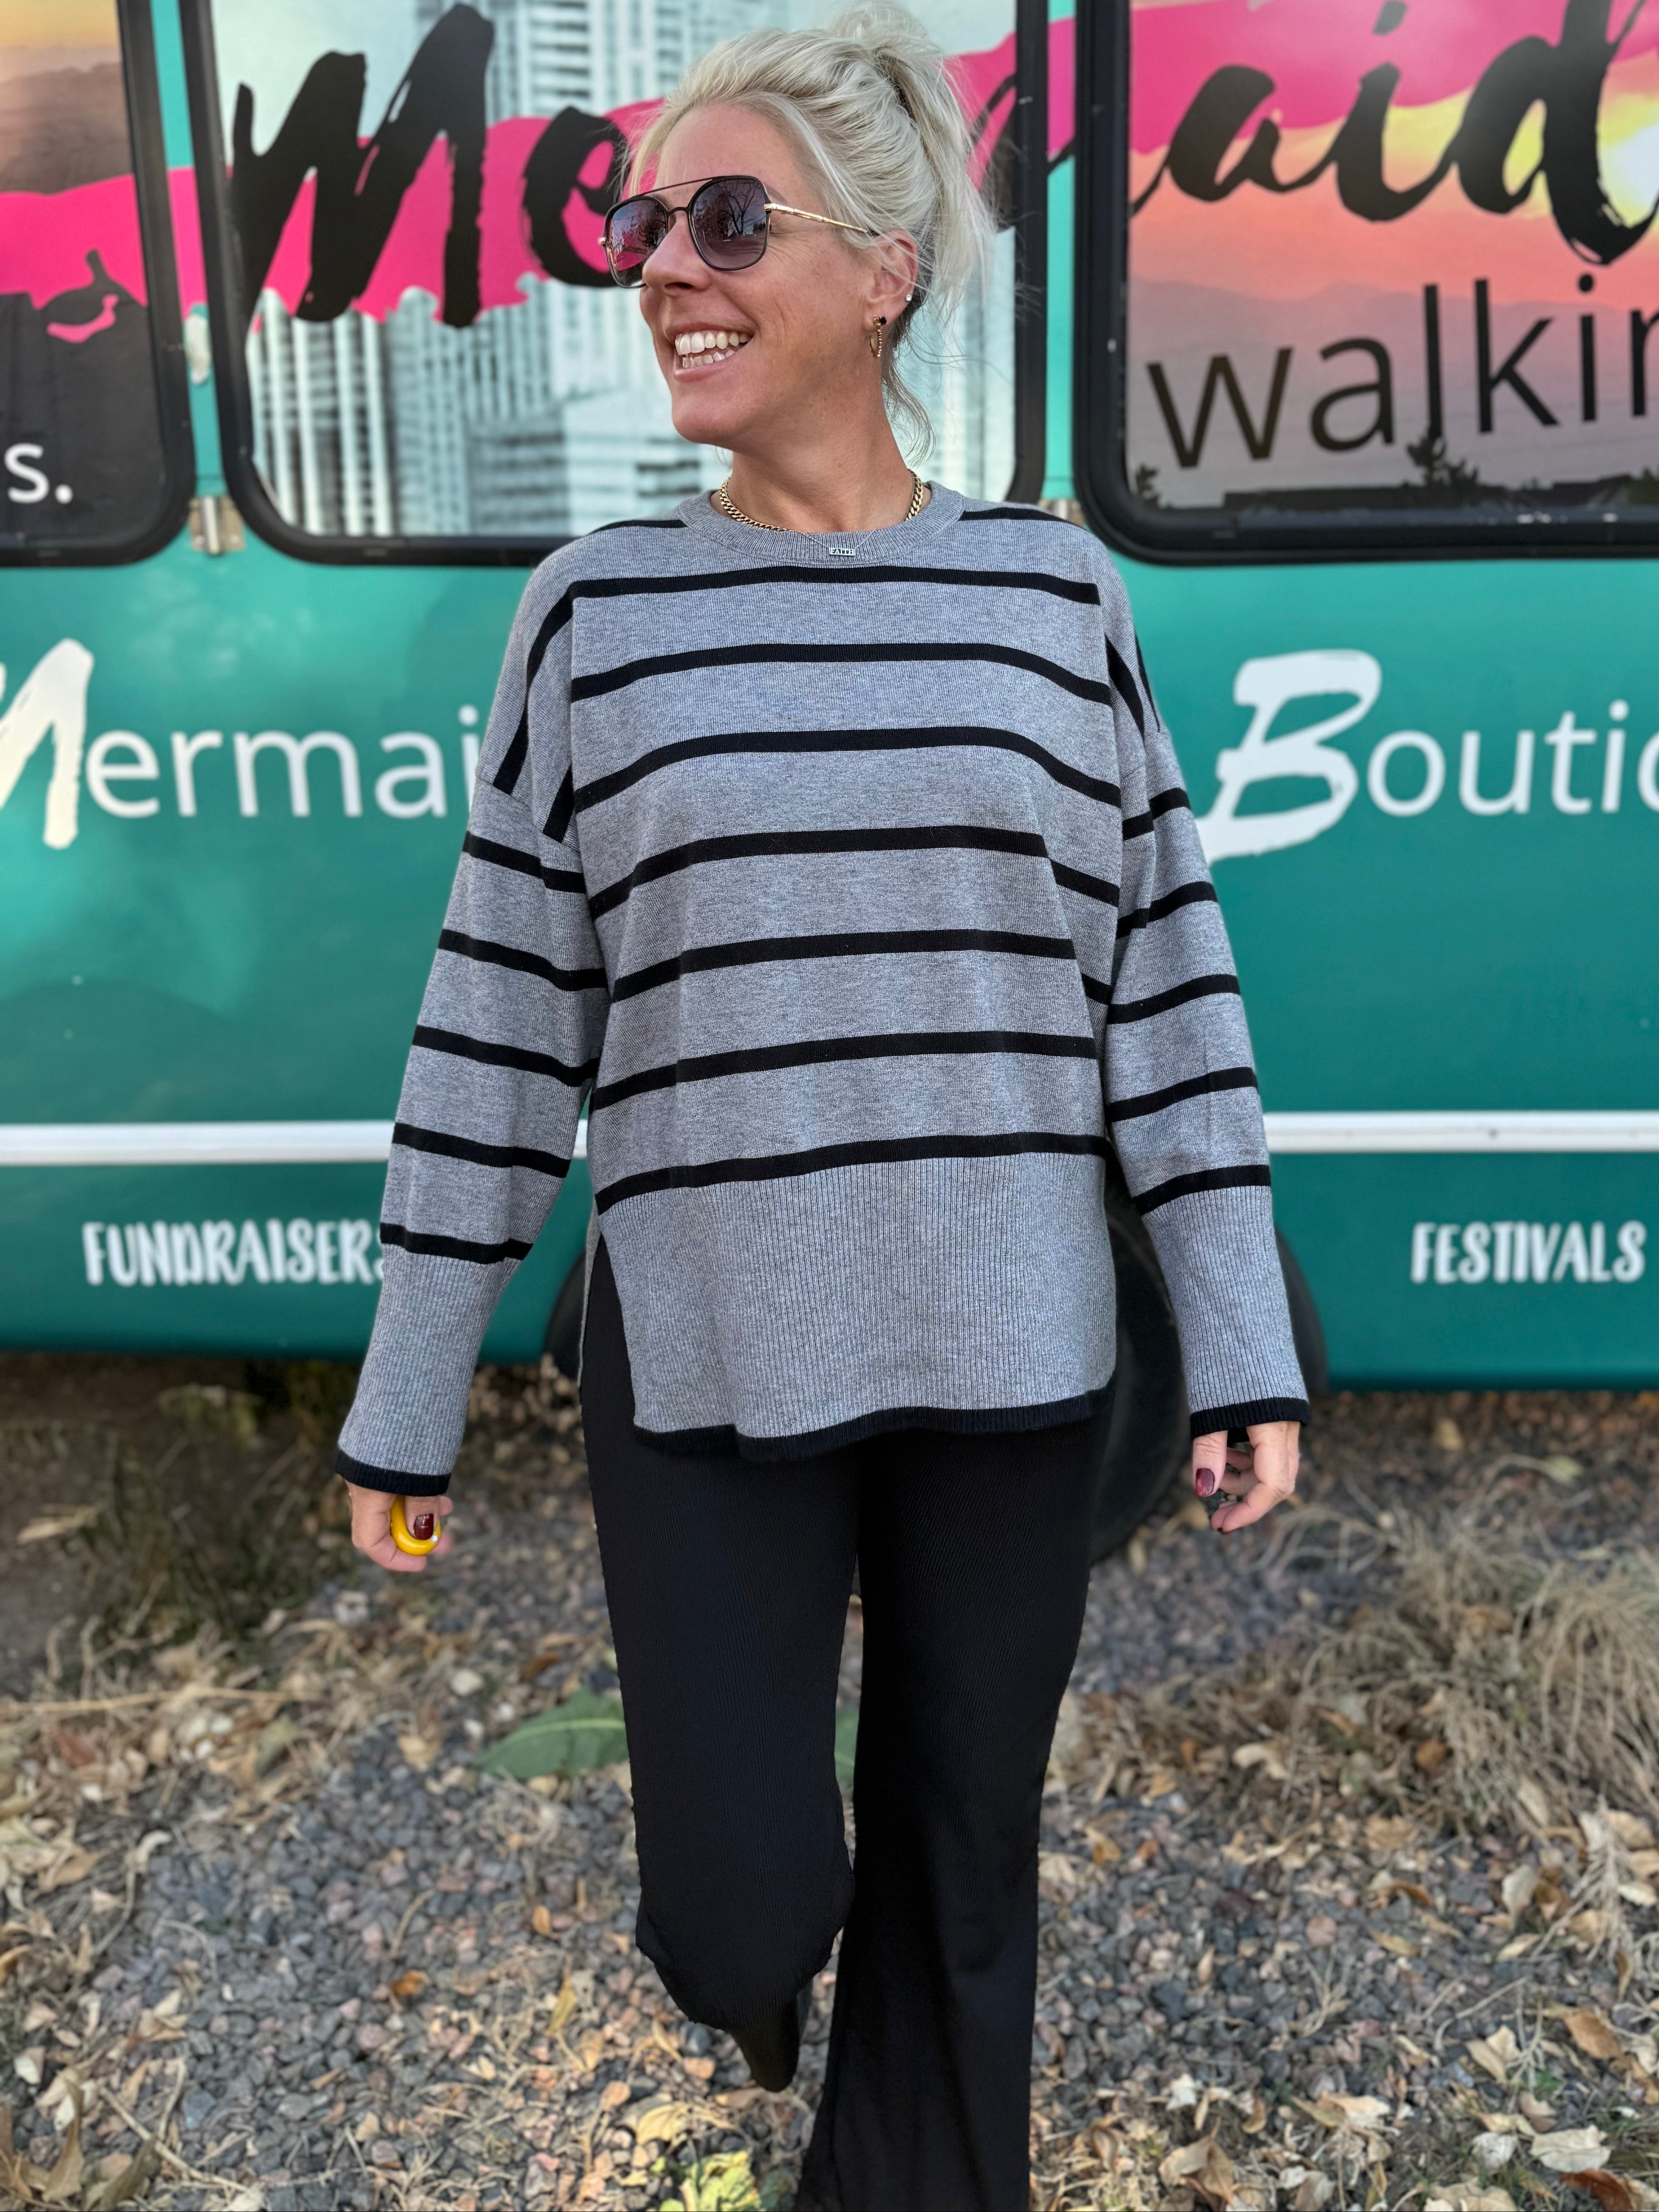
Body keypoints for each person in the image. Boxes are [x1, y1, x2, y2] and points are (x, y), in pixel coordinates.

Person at [334, 9, 1306, 2205]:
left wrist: (1236, 1337)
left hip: (1010, 1357)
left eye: (727, 218)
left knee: (966, 1874)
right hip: (709, 1357)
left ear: (881, 269)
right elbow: (497, 1015)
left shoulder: (1056, 595)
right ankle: (765, 1983)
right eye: (643, 225)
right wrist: (407, 1389)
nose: (668, 266)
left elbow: (1167, 983)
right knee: (740, 1905)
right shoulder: (595, 617)